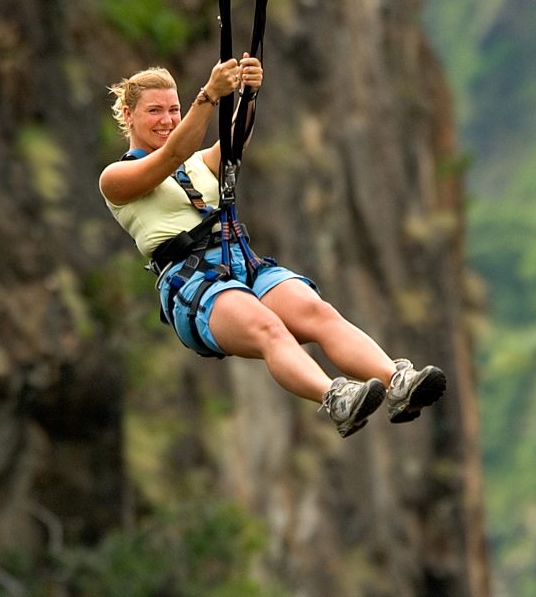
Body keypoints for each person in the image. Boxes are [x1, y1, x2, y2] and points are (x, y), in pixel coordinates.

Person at [98, 54, 446, 437]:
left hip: (240, 263)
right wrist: (209, 96)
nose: (167, 119)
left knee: (317, 312)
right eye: (154, 111)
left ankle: (395, 380)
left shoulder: (199, 163)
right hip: (194, 285)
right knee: (268, 327)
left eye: (173, 109)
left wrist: (248, 94)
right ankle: (334, 397)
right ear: (128, 116)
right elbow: (172, 155)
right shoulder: (117, 179)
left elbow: (233, 142)